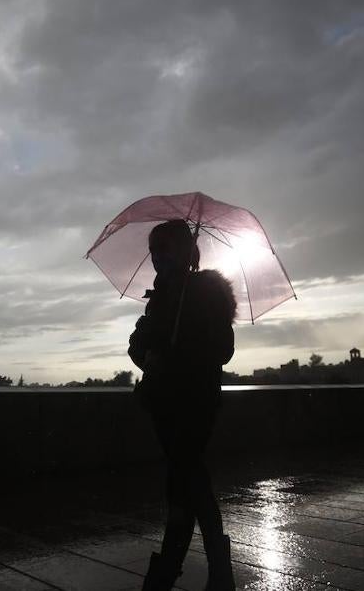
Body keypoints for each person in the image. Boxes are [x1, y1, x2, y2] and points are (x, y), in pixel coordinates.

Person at [128, 219, 237, 591]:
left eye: (165, 249)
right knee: (182, 481)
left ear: (184, 251)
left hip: (195, 401)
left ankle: (175, 569)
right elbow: (138, 347)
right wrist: (147, 352)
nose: (158, 258)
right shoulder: (159, 297)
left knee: (187, 476)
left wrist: (182, 347)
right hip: (163, 401)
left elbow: (223, 350)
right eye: (154, 251)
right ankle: (200, 568)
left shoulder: (207, 293)